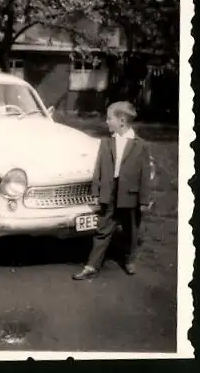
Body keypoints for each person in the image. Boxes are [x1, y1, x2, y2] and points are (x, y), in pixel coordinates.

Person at [72, 101, 151, 280]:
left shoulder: (141, 145)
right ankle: (92, 265)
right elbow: (98, 169)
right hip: (109, 192)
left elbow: (145, 175)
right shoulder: (106, 143)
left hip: (130, 194)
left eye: (109, 119)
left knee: (131, 229)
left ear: (122, 121)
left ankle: (129, 260)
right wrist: (95, 192)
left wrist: (144, 200)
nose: (106, 122)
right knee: (103, 229)